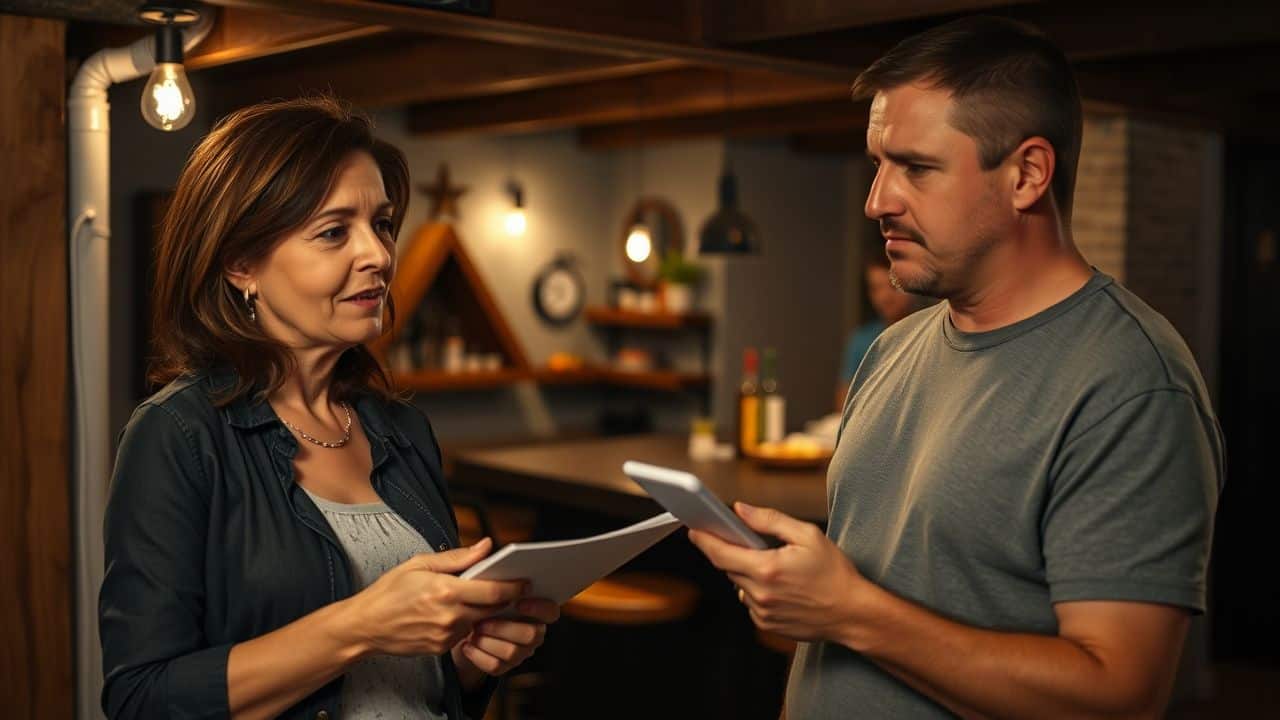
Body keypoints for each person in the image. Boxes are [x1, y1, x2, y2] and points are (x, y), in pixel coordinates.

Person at [689, 16, 1223, 719]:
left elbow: (1117, 699)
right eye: (879, 164)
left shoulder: (1131, 384)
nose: (876, 200)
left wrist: (850, 613)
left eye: (915, 167)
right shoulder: (894, 349)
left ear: (1027, 174)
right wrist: (806, 604)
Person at [99, 97, 557, 720]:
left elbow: (414, 690)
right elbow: (140, 700)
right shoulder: (177, 434)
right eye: (334, 231)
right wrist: (358, 626)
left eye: (383, 224)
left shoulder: (402, 429)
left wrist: (470, 665)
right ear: (241, 264)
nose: (378, 254)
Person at [836, 251, 925, 410]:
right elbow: (844, 400)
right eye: (875, 289)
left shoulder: (929, 334)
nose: (884, 297)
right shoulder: (862, 339)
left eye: (892, 286)